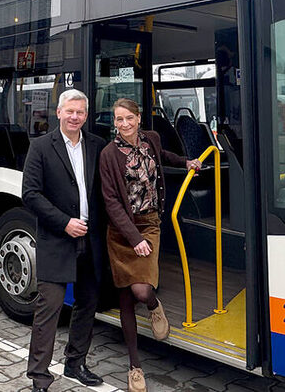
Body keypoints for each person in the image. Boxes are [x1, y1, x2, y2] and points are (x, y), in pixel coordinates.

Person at [99, 98, 201, 392]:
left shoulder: (152, 140)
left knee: (142, 290)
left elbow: (164, 156)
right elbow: (111, 202)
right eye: (119, 120)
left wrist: (186, 162)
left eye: (129, 118)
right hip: (122, 232)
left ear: (138, 118)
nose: (124, 124)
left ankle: (155, 306)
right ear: (115, 123)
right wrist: (133, 239)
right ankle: (135, 367)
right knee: (126, 298)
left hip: (150, 223)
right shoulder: (109, 154)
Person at [22, 89, 107, 392]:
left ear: (86, 115)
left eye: (80, 112)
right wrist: (64, 223)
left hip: (91, 239)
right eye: (69, 111)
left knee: (87, 303)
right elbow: (30, 194)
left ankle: (75, 363)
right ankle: (39, 377)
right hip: (58, 239)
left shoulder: (97, 145)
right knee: (50, 309)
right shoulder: (41, 147)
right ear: (58, 112)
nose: (75, 117)